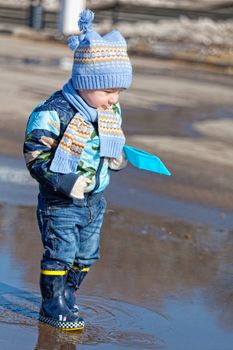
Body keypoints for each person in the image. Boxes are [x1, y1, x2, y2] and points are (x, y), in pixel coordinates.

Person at [23, 9, 132, 330]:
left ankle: (68, 293)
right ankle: (52, 303)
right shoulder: (52, 113)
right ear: (86, 82)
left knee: (86, 255)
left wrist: (117, 159)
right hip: (61, 199)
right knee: (61, 251)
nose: (113, 100)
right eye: (108, 91)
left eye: (119, 92)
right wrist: (66, 181)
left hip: (95, 200)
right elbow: (35, 157)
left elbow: (108, 146)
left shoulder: (108, 111)